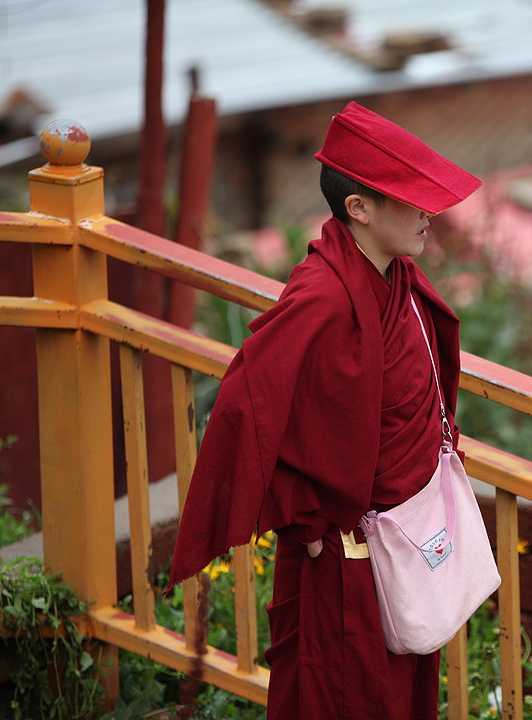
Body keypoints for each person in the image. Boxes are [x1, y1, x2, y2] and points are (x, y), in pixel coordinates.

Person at [168, 101, 482, 719]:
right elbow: (247, 401)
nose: (429, 212)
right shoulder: (322, 296)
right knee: (344, 697)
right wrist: (301, 516)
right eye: (410, 199)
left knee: (403, 688)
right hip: (344, 554)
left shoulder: (395, 277)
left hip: (407, 537)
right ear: (358, 209)